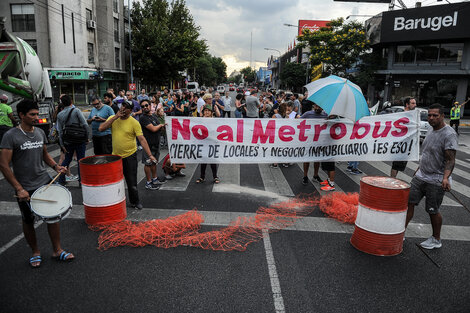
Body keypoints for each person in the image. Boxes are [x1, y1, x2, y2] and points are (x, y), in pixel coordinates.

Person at [0, 99, 72, 268]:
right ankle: (35, 252)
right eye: (32, 114)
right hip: (25, 186)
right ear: (21, 115)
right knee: (28, 220)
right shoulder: (11, 136)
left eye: (37, 114)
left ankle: (57, 250)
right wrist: (19, 188)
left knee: (53, 216)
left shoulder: (39, 132)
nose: (36, 117)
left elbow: (44, 154)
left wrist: (55, 166)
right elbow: (3, 164)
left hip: (44, 181)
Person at [405, 103, 458, 249]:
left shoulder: (449, 134)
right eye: (429, 115)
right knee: (408, 202)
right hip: (421, 175)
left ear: (442, 116)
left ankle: (436, 239)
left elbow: (450, 159)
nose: (431, 118)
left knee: (432, 210)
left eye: (435, 115)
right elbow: (428, 153)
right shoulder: (430, 129)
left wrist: (446, 178)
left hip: (436, 179)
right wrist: (419, 168)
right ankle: (400, 231)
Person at [99, 100, 157, 210]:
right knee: (114, 181)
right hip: (115, 157)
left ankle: (135, 201)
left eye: (126, 107)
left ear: (130, 111)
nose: (123, 109)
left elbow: (142, 139)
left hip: (130, 156)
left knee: (132, 181)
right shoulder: (113, 118)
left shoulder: (134, 122)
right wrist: (115, 117)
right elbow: (101, 128)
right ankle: (114, 201)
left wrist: (150, 155)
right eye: (122, 106)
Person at [56, 94, 88, 186]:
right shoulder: (76, 110)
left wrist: (62, 145)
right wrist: (87, 138)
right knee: (80, 160)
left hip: (68, 141)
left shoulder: (60, 114)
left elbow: (60, 131)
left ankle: (61, 180)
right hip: (79, 139)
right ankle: (81, 182)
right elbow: (85, 124)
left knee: (67, 160)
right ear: (71, 101)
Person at [139, 99, 165, 190]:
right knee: (148, 163)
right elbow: (153, 129)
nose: (145, 107)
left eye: (146, 105)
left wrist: (161, 126)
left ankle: (155, 179)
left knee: (154, 162)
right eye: (142, 106)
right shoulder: (143, 118)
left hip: (155, 143)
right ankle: (148, 182)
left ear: (150, 106)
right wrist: (161, 125)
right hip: (148, 144)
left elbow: (158, 127)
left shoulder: (153, 116)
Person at [390, 97, 417, 178]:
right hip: (400, 143)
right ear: (407, 104)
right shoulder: (403, 115)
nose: (415, 105)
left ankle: (393, 179)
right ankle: (392, 180)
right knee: (396, 164)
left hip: (407, 144)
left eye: (415, 103)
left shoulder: (411, 115)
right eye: (413, 103)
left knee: (400, 165)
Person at [301, 104, 327, 185]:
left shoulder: (325, 115)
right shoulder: (308, 114)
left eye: (319, 107)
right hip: (309, 141)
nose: (317, 108)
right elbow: (298, 121)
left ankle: (315, 175)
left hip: (319, 141)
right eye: (316, 106)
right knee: (307, 159)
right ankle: (305, 176)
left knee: (317, 159)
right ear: (313, 106)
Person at [195, 103, 220, 184]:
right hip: (203, 142)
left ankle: (215, 176)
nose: (207, 112)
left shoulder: (214, 120)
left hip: (212, 142)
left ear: (211, 112)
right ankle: (202, 177)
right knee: (203, 161)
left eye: (208, 111)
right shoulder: (201, 120)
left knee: (212, 161)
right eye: (205, 111)